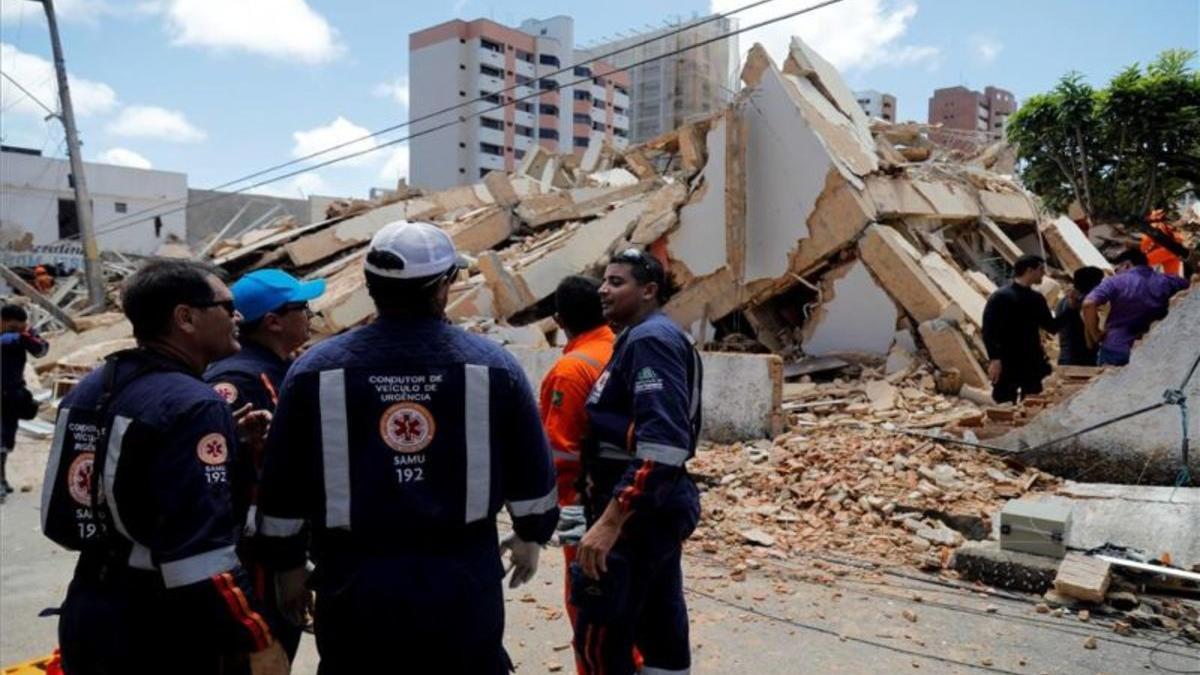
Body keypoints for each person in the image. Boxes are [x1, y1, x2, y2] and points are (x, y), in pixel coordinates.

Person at [256, 220, 558, 674]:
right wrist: (531, 532)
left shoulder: (316, 371)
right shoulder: (494, 367)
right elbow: (532, 473)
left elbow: (283, 483)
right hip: (461, 580)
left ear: (369, 285)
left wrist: (287, 567)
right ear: (445, 285)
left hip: (354, 581)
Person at [43, 260, 288, 674]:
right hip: (162, 629)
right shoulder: (194, 404)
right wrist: (257, 636)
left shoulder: (93, 385)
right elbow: (200, 558)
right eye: (227, 307)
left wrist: (230, 442)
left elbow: (94, 491)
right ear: (185, 318)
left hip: (89, 608)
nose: (239, 317)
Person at [573, 247, 702, 675]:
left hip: (634, 514)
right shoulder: (641, 337)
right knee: (659, 629)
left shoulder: (650, 340)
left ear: (649, 291)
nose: (603, 291)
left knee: (602, 640)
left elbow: (663, 443)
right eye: (603, 281)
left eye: (617, 282)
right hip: (652, 509)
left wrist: (611, 522)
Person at [204, 268, 326, 663]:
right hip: (255, 555)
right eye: (303, 307)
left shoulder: (283, 368)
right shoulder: (239, 380)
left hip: (280, 544)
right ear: (273, 321)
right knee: (261, 656)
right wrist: (285, 565)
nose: (311, 316)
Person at [538, 275, 615, 672]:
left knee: (588, 609)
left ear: (558, 319)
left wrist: (554, 513)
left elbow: (559, 453)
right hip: (624, 504)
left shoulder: (570, 370)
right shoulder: (623, 348)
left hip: (584, 510)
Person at [1083, 248, 1190, 366]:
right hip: (1155, 349)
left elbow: (1088, 304)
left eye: (1117, 269)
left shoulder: (1114, 282)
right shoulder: (1170, 281)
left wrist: (1096, 334)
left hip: (1117, 349)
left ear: (1127, 265)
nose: (1116, 272)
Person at [981, 254, 1058, 404]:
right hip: (1007, 360)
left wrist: (1070, 309)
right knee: (1003, 404)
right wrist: (995, 359)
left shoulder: (1036, 298)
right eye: (1041, 269)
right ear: (1029, 270)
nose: (1044, 273)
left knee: (1032, 403)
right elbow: (989, 330)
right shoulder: (1000, 297)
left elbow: (1050, 326)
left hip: (1032, 359)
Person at [1, 304, 49, 495]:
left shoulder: (22, 338)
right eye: (13, 327)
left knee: (7, 437)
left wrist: (27, 335)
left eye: (20, 327)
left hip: (12, 394)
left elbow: (41, 350)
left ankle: (2, 477)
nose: (17, 331)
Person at [1056, 266, 1106, 366]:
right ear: (1093, 284)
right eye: (1100, 282)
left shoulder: (1064, 300)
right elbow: (1091, 341)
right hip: (1081, 361)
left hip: (1068, 358)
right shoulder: (1084, 303)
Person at [1140, 210, 1184, 277]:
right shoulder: (1162, 225)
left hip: (1168, 251)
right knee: (1172, 277)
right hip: (1173, 252)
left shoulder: (1157, 226)